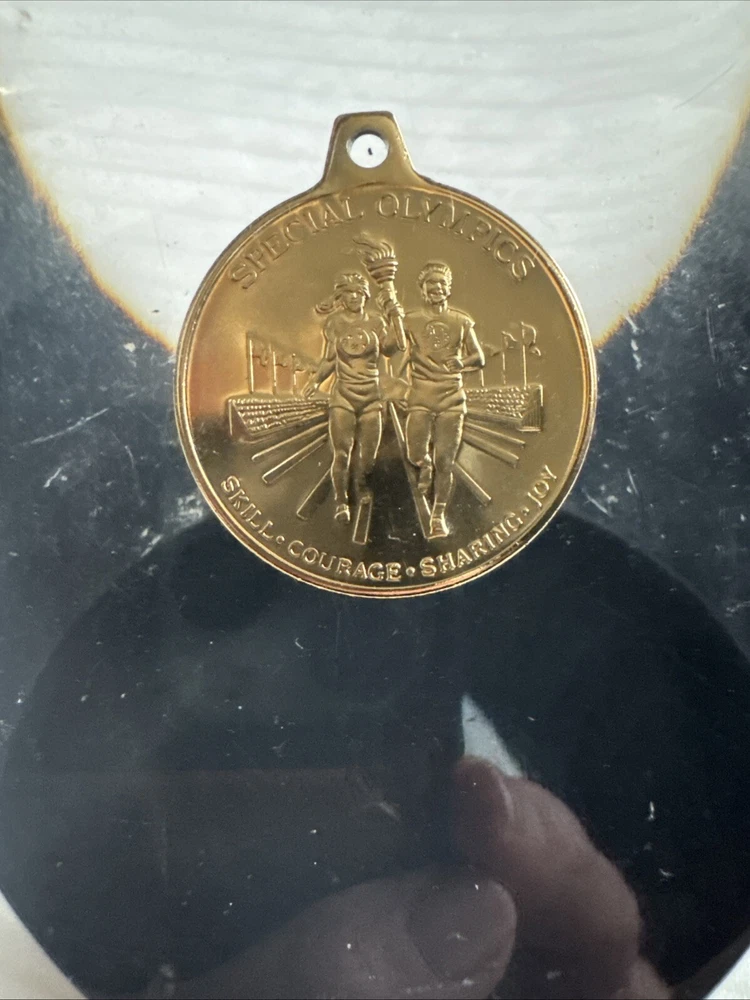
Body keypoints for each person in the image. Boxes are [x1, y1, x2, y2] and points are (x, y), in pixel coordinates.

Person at [304, 272, 403, 524]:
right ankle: (341, 501)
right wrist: (315, 380)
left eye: (359, 292)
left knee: (368, 457)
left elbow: (392, 348)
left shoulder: (376, 321)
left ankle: (360, 482)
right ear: (342, 297)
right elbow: (329, 359)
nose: (355, 297)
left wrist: (396, 319)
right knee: (342, 453)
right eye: (349, 293)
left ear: (366, 295)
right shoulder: (334, 323)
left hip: (371, 396)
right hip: (344, 395)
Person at [403, 263, 485, 539]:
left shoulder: (462, 321)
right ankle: (423, 465)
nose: (437, 288)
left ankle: (438, 516)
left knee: (445, 460)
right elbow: (392, 347)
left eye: (441, 283)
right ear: (423, 289)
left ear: (448, 288)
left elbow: (478, 358)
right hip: (420, 396)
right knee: (415, 452)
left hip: (451, 397)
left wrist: (463, 363)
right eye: (431, 284)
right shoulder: (410, 320)